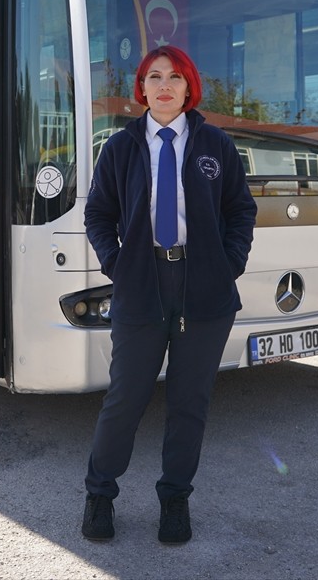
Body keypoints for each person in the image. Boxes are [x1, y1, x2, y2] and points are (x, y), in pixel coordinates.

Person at [81, 45, 256, 544]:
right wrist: (117, 264)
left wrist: (229, 265)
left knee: (189, 403)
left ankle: (175, 500)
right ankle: (99, 495)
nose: (164, 85)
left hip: (204, 290)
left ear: (188, 88)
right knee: (125, 398)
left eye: (175, 77)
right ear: (141, 89)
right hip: (141, 287)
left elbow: (241, 211)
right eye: (154, 76)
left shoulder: (216, 145)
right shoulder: (119, 148)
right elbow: (98, 215)